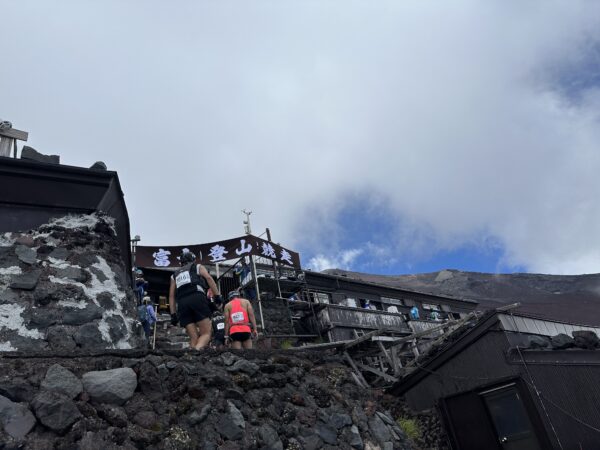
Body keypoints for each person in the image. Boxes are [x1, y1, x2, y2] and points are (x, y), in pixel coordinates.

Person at [169, 249, 222, 350]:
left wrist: (173, 314)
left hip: (182, 302)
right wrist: (217, 296)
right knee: (206, 333)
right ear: (193, 260)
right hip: (197, 297)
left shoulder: (174, 275)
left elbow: (171, 296)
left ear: (181, 262)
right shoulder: (197, 267)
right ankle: (195, 351)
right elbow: (209, 278)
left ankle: (190, 356)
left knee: (194, 337)